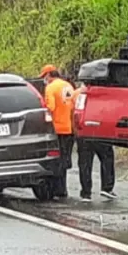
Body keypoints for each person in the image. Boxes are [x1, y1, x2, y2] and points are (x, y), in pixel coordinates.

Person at [74, 81, 118, 202]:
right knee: (107, 158)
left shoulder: (81, 94)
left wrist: (77, 129)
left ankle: (86, 193)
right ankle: (107, 187)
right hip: (101, 132)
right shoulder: (106, 94)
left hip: (84, 132)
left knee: (84, 163)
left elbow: (76, 112)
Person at [41, 64, 75, 199]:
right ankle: (63, 189)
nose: (44, 79)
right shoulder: (68, 86)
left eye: (44, 76)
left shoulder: (50, 88)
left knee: (56, 161)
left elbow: (51, 107)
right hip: (69, 128)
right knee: (65, 160)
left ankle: (58, 190)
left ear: (49, 75)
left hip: (57, 129)